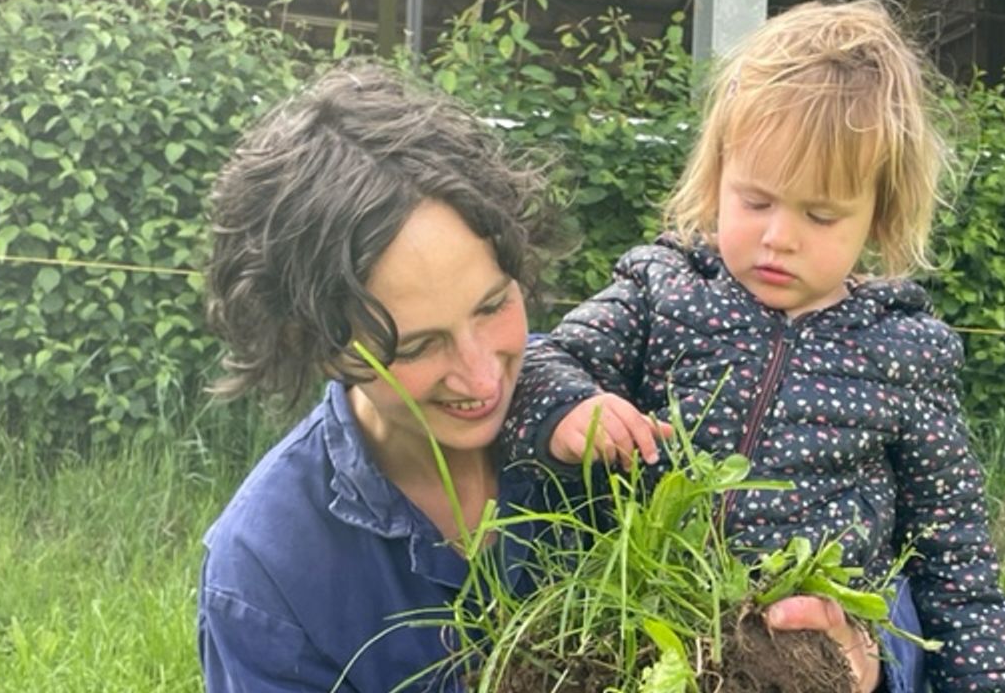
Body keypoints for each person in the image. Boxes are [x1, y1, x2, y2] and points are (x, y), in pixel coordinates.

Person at [198, 61, 876, 693]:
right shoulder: (266, 573)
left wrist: (855, 661)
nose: (479, 375)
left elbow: (851, 568)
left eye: (494, 306)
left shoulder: (635, 414)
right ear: (315, 343)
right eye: (419, 345)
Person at [503, 0, 1005, 693]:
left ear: (879, 215)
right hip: (647, 627)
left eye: (820, 214)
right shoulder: (664, 288)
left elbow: (954, 556)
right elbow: (538, 360)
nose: (780, 236)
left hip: (802, 655)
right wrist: (573, 408)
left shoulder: (903, 351)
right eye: (755, 202)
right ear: (717, 178)